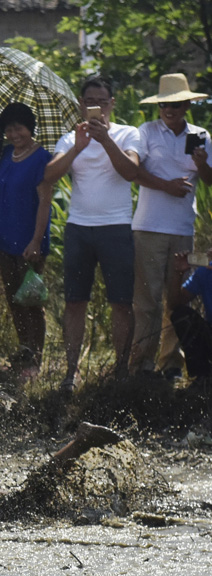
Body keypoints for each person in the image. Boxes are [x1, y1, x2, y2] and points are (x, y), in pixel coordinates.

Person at [44, 76, 141, 391]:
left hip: (116, 227)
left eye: (101, 102)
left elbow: (131, 172)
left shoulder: (128, 133)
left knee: (121, 302)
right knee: (74, 302)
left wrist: (106, 140)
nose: (95, 107)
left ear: (112, 104)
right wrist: (78, 147)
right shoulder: (70, 138)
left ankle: (121, 371)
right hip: (79, 228)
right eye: (89, 102)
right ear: (81, 104)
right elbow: (50, 175)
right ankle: (71, 372)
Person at [130, 74, 212, 380]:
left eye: (176, 104)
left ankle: (172, 365)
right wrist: (166, 186)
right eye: (164, 104)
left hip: (182, 227)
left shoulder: (200, 135)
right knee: (147, 300)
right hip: (149, 226)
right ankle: (142, 364)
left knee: (176, 299)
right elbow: (134, 172)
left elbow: (209, 180)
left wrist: (201, 163)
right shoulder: (146, 131)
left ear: (187, 105)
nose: (169, 110)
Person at [0, 103, 54, 380]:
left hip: (29, 242)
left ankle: (36, 359)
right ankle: (24, 349)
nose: (14, 135)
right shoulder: (6, 155)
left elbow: (45, 202)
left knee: (31, 300)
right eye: (9, 130)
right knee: (14, 298)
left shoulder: (42, 159)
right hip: (5, 238)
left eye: (19, 128)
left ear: (30, 128)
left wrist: (36, 241)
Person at [169, 250, 212, 380]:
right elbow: (175, 304)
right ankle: (201, 376)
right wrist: (179, 273)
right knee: (181, 316)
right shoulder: (205, 272)